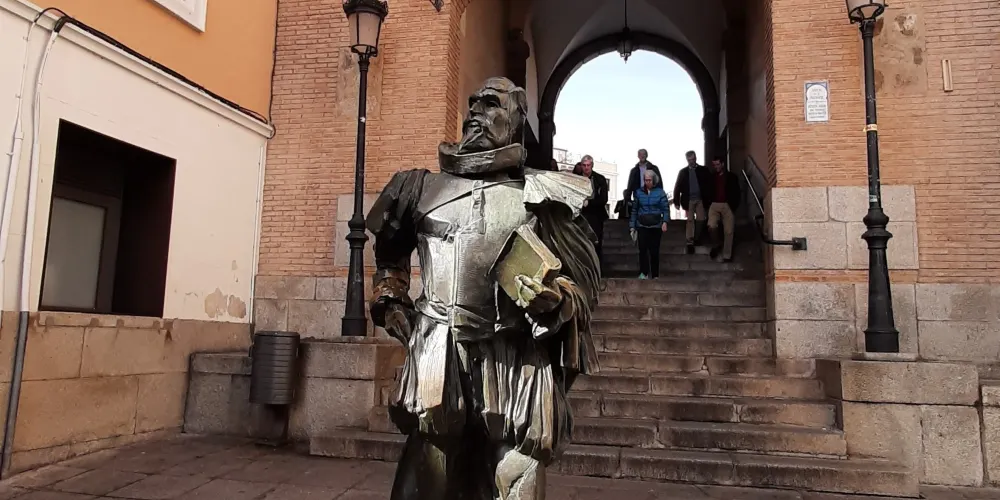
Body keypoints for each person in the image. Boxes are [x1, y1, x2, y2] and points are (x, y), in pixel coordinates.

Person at [365, 77, 600, 500]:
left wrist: (555, 301)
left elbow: (579, 289)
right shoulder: (418, 188)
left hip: (515, 358)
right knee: (425, 483)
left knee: (518, 483)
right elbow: (389, 258)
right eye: (473, 103)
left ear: (516, 120)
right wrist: (391, 299)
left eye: (491, 104)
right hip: (439, 351)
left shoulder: (542, 197)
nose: (475, 111)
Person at [630, 170, 669, 280]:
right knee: (642, 250)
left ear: (654, 180)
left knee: (654, 251)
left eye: (649, 180)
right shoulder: (638, 193)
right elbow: (634, 210)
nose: (647, 182)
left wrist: (665, 222)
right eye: (645, 180)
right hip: (642, 225)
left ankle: (655, 274)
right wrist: (632, 226)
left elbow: (665, 209)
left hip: (656, 226)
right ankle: (644, 272)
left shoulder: (660, 193)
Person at [672, 150, 712, 255]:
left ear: (696, 158)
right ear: (687, 160)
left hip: (700, 199)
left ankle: (697, 238)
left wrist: (709, 199)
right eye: (689, 160)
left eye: (693, 159)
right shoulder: (683, 172)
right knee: (690, 220)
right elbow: (677, 186)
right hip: (688, 199)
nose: (691, 161)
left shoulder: (703, 170)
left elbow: (709, 184)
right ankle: (690, 241)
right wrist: (676, 201)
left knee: (701, 219)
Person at [574, 155, 609, 265]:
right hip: (580, 215)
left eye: (588, 165)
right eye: (584, 165)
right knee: (580, 243)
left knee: (596, 243)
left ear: (592, 165)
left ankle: (597, 267)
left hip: (596, 216)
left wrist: (590, 203)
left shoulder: (600, 179)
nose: (586, 168)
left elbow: (604, 199)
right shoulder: (576, 179)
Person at [706, 156, 742, 262]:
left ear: (722, 164)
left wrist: (733, 206)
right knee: (711, 226)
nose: (716, 167)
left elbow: (737, 192)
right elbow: (706, 190)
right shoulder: (711, 177)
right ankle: (716, 244)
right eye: (714, 165)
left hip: (727, 205)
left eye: (718, 164)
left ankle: (727, 255)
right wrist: (708, 203)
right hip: (714, 204)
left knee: (729, 231)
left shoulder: (732, 177)